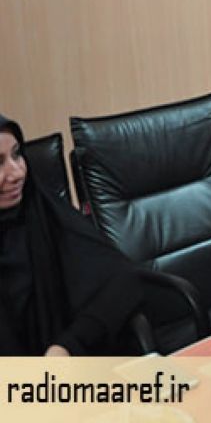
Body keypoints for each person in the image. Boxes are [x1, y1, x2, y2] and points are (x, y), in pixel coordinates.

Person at [1, 114, 143, 355]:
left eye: (17, 155)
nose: (17, 173)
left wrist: (68, 345)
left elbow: (122, 281)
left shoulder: (42, 212)